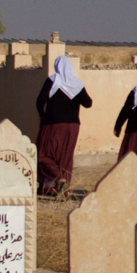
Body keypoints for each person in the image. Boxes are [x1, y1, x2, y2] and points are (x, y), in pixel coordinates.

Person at [34, 53, 92, 196]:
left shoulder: (53, 80)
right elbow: (88, 103)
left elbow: (40, 100)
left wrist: (42, 115)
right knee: (64, 157)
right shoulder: (77, 83)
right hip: (72, 126)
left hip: (53, 124)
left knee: (42, 154)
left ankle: (58, 179)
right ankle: (59, 189)